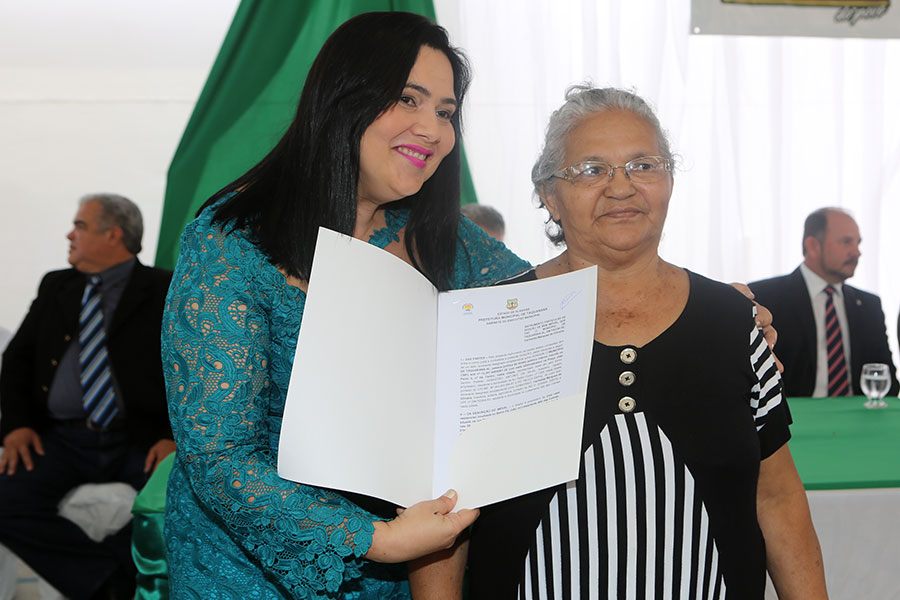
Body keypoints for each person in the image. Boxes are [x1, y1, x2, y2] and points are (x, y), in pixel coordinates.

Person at [160, 12, 532, 599]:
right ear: (342, 100)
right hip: (242, 571)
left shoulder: (447, 239)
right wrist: (375, 539)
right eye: (408, 99)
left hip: (402, 567)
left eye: (445, 111)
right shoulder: (232, 241)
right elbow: (219, 454)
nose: (432, 129)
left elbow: (540, 307)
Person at [417, 86, 828, 599]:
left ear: (669, 181)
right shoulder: (491, 325)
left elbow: (778, 499)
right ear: (550, 196)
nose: (621, 187)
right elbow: (443, 510)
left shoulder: (735, 321)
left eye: (642, 165)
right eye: (591, 169)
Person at [0, 193, 174, 600]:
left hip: (139, 439)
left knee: (182, 502)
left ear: (114, 234)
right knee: (4, 502)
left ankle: (115, 574)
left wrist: (169, 435)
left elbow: (188, 369)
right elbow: (18, 360)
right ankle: (107, 584)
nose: (69, 235)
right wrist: (16, 425)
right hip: (61, 438)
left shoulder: (164, 287)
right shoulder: (56, 285)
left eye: (79, 225)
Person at [750, 208, 899, 398]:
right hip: (793, 413)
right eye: (846, 242)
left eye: (858, 243)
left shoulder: (869, 305)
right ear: (813, 246)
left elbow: (887, 381)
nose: (857, 252)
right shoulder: (765, 297)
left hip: (857, 412)